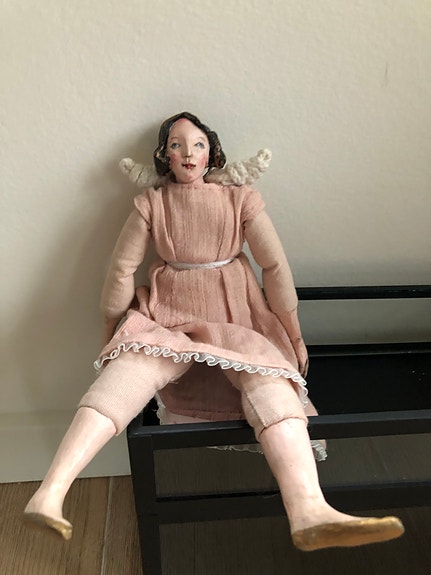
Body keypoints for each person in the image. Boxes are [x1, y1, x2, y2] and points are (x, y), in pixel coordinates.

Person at [24, 112, 404, 550]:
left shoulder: (240, 199)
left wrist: (292, 331)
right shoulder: (152, 203)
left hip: (236, 317)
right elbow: (121, 271)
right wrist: (113, 326)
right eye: (177, 145)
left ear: (212, 154)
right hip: (168, 314)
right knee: (128, 374)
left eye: (198, 144)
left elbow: (274, 266)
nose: (188, 153)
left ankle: (309, 508)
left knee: (268, 381)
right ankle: (51, 491)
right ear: (164, 156)